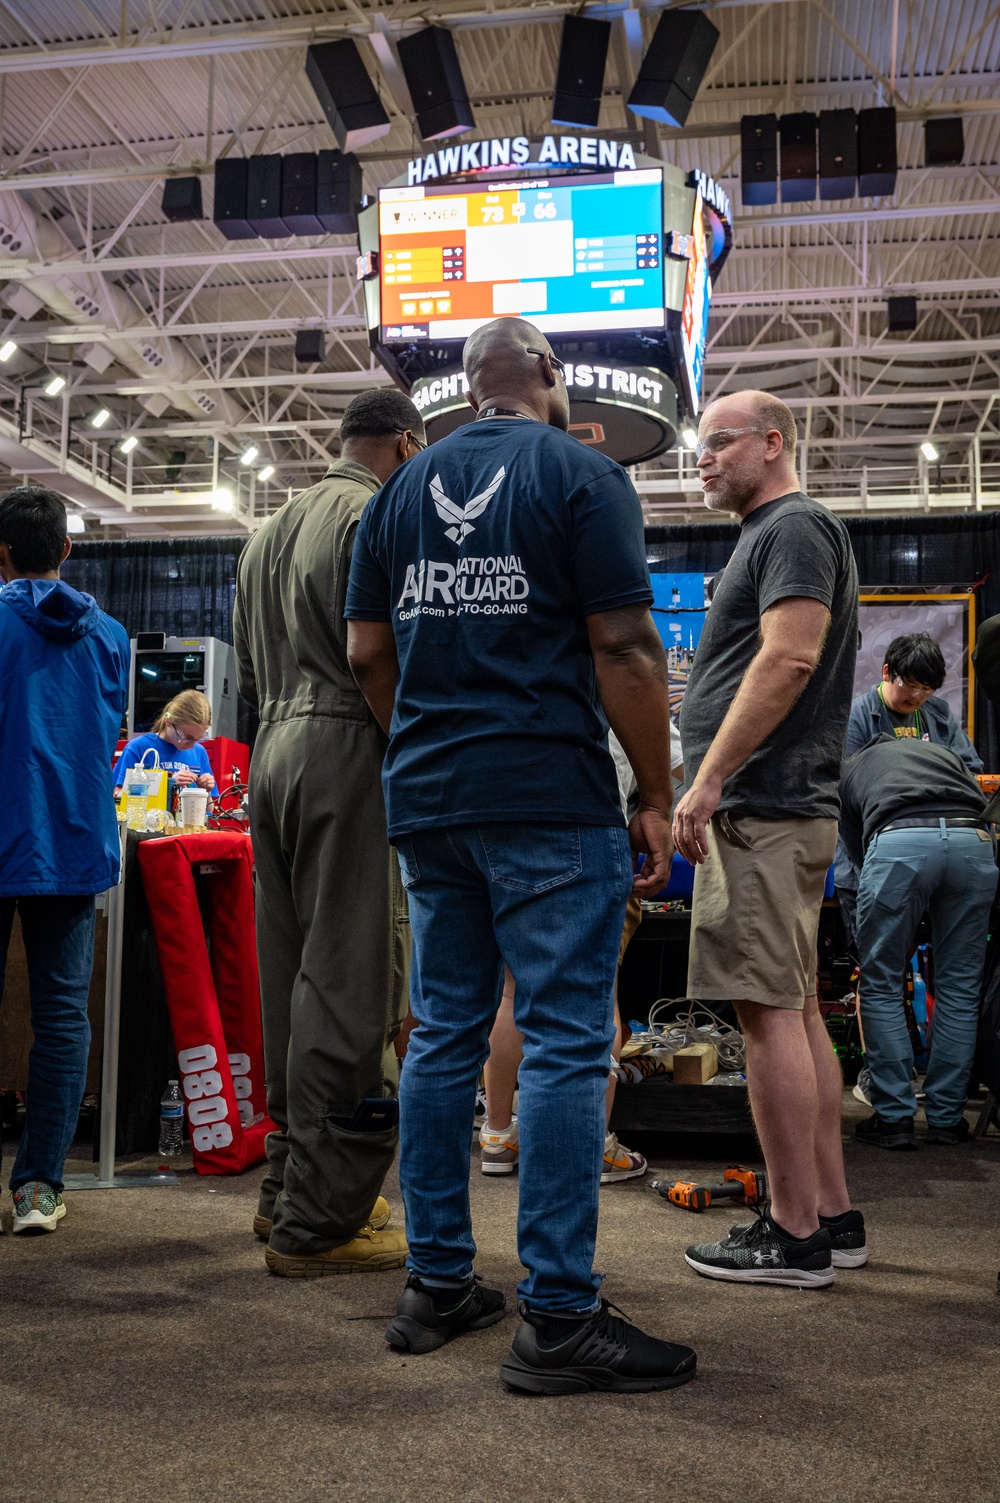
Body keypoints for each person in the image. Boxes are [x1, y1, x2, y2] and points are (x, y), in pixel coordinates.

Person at [346, 316, 695, 1395]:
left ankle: (439, 1280)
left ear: (464, 387)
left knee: (445, 1032)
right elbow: (628, 646)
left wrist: (433, 741)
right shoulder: (581, 475)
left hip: (430, 798)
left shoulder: (397, 494)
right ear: (547, 375)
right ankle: (556, 1314)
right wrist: (654, 790)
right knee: (559, 1040)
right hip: (546, 791)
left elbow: (367, 652)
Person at [673, 389, 863, 1289]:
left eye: (718, 444)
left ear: (772, 442)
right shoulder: (777, 532)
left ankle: (792, 1233)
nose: (701, 460)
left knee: (765, 1014)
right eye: (698, 447)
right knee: (789, 1009)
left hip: (764, 804)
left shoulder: (791, 527)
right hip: (780, 803)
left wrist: (709, 778)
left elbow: (789, 656)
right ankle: (828, 1210)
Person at [232, 388, 423, 1278]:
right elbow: (371, 652)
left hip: (271, 751)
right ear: (407, 444)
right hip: (349, 741)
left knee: (291, 979)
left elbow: (244, 671)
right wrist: (410, 744)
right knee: (351, 982)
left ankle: (285, 1191)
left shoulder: (268, 533)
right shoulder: (376, 512)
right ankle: (324, 1218)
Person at [0, 486, 129, 1233]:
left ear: (3, 553)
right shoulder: (108, 634)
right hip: (74, 839)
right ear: (68, 550)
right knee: (61, 1015)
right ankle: (40, 1188)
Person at [479, 727, 685, 1182]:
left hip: (509, 827)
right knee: (597, 1001)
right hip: (590, 835)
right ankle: (591, 1144)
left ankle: (497, 1133)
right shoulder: (614, 672)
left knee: (512, 994)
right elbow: (676, 760)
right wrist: (650, 804)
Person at [840, 735, 998, 1149]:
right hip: (973, 841)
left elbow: (858, 850)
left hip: (898, 840)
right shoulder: (944, 753)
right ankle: (947, 1119)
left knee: (880, 982)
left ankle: (894, 1118)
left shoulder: (853, 767)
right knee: (961, 986)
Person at [834, 633, 982, 946]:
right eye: (909, 684)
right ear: (887, 672)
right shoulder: (855, 717)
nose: (915, 695)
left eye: (926, 689)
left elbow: (971, 770)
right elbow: (844, 789)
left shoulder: (938, 715)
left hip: (933, 858)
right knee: (877, 960)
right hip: (871, 860)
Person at [112, 688, 219, 804]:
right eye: (186, 737)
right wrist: (168, 785)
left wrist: (206, 792)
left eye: (198, 739)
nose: (191, 745)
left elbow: (208, 811)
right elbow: (118, 797)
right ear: (168, 722)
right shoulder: (139, 748)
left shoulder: (199, 752)